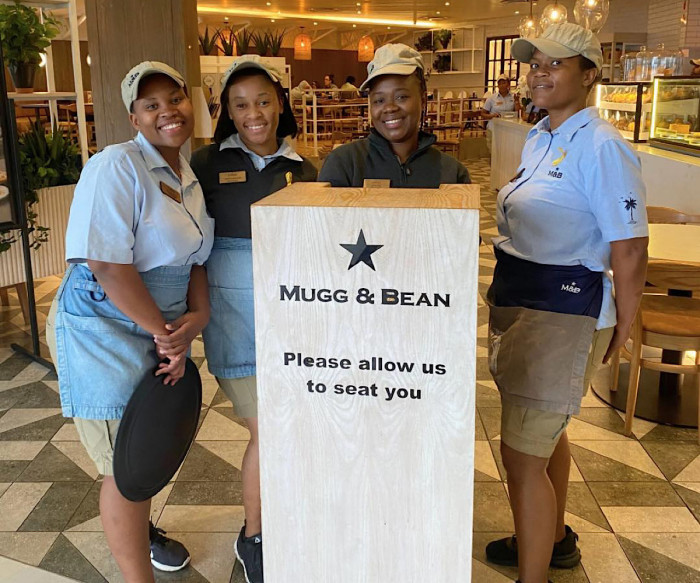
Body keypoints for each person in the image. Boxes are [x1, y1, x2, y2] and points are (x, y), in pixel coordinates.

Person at [484, 23, 648, 583]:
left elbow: (629, 246)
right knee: (542, 434)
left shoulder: (602, 145)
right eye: (535, 64)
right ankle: (552, 540)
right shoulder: (540, 136)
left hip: (564, 310)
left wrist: (624, 324)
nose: (539, 73)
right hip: (524, 301)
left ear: (589, 74)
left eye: (555, 63)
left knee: (522, 455)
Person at [46, 62, 214, 582]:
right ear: (134, 118)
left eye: (175, 99)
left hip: (159, 322)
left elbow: (194, 259)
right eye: (151, 105)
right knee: (124, 464)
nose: (167, 111)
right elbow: (107, 265)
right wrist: (166, 334)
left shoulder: (187, 175)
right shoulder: (116, 165)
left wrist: (198, 316)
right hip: (104, 323)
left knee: (147, 445)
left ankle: (141, 531)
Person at [187, 55, 318, 583]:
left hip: (291, 323)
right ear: (227, 111)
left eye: (263, 101)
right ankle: (254, 536)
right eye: (240, 105)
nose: (254, 113)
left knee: (289, 431)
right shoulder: (204, 164)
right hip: (235, 324)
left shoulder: (305, 170)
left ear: (280, 103)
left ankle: (282, 520)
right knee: (268, 430)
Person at [318, 44, 471, 187]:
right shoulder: (343, 164)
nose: (390, 108)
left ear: (423, 99)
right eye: (379, 100)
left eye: (401, 97)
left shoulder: (452, 173)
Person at [481, 73, 521, 150]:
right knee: (493, 150)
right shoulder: (491, 98)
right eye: (500, 84)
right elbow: (483, 113)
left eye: (504, 83)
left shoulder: (513, 97)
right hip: (493, 128)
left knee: (505, 150)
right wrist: (492, 116)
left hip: (509, 129)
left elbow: (518, 113)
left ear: (508, 84)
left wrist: (516, 101)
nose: (502, 85)